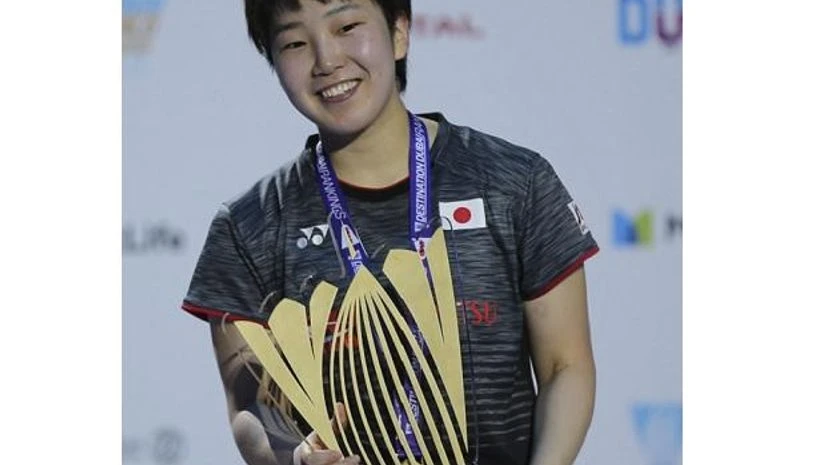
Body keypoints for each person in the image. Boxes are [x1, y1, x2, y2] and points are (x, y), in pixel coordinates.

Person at [181, 1, 599, 464]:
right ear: (274, 62)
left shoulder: (513, 183)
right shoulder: (249, 226)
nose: (327, 60)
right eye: (296, 42)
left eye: (347, 26)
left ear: (399, 32)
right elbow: (251, 405)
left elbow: (566, 365)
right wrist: (291, 456)